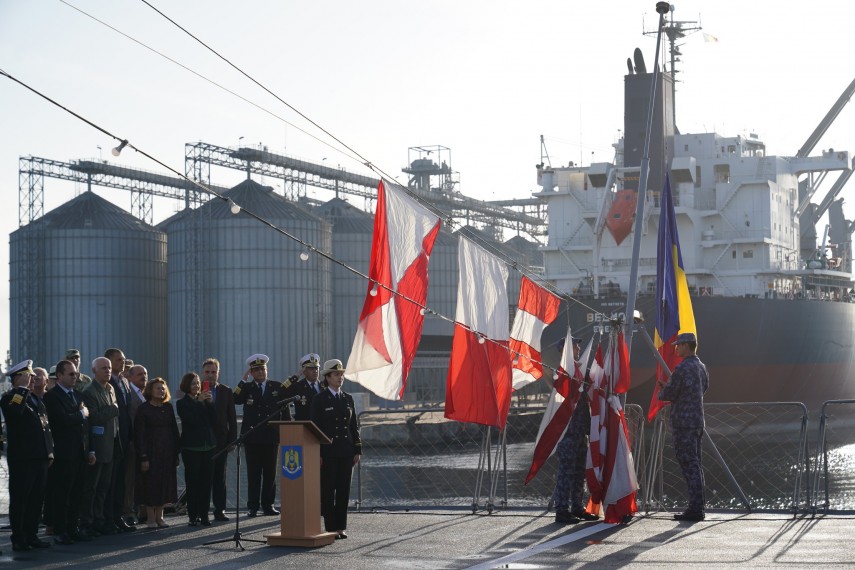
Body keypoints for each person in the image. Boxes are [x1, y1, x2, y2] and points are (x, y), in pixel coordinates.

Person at [0, 360, 55, 551]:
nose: (33, 379)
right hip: (23, 459)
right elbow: (15, 412)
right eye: (29, 376)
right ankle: (19, 537)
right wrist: (22, 388)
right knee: (21, 499)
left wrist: (49, 451)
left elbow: (45, 428)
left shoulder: (35, 399)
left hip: (39, 457)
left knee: (36, 499)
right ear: (17, 378)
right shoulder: (10, 397)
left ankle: (31, 535)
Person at [658, 332, 709, 522]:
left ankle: (695, 509)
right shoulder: (701, 367)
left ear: (687, 346)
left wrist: (663, 391)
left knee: (689, 465)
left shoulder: (682, 368)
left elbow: (670, 393)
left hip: (683, 423)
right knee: (696, 465)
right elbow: (704, 388)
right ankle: (698, 506)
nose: (676, 348)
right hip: (697, 421)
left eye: (678, 345)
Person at [43, 359, 93, 545]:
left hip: (80, 453)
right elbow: (61, 420)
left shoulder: (79, 396)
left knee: (77, 493)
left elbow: (87, 427)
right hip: (64, 454)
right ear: (60, 376)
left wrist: (90, 449)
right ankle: (61, 530)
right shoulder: (52, 397)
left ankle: (73, 528)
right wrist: (81, 414)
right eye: (71, 374)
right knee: (63, 493)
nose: (75, 377)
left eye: (76, 374)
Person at [310, 359, 362, 539]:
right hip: (328, 452)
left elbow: (354, 426)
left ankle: (341, 526)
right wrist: (317, 453)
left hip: (346, 451)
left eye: (341, 374)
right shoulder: (319, 399)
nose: (340, 377)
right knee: (328, 490)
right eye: (336, 374)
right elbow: (315, 428)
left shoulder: (347, 398)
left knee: (343, 490)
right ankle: (331, 527)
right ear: (327, 377)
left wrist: (357, 449)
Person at [233, 353, 286, 517]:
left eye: (262, 369)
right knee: (253, 474)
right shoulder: (247, 388)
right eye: (255, 370)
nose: (260, 372)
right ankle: (253, 506)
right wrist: (243, 379)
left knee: (270, 474)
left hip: (271, 437)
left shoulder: (276, 387)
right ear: (251, 372)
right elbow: (235, 398)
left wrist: (286, 433)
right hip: (252, 437)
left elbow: (284, 410)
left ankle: (268, 505)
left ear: (266, 370)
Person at [553, 337, 599, 524]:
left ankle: (577, 507)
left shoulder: (578, 371)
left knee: (579, 471)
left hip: (580, 430)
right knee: (566, 471)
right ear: (566, 350)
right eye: (575, 344)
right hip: (568, 431)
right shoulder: (563, 372)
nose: (579, 347)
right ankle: (562, 510)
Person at [79, 356, 121, 538]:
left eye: (109, 368)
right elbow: (93, 417)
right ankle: (87, 523)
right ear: (94, 371)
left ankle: (99, 520)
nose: (108, 371)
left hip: (110, 444)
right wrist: (113, 409)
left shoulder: (110, 388)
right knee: (91, 487)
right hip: (98, 445)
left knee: (104, 487)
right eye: (104, 368)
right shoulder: (89, 391)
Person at [134, 377, 180, 529]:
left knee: (164, 484)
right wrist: (143, 456)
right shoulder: (144, 409)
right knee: (150, 484)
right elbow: (139, 434)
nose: (161, 390)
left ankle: (160, 516)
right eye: (158, 388)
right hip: (151, 451)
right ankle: (150, 518)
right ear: (150, 390)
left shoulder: (168, 407)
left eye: (163, 388)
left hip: (167, 451)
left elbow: (174, 429)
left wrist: (176, 452)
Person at [176, 372, 217, 527]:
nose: (197, 386)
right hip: (192, 447)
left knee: (206, 482)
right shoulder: (182, 403)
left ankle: (205, 515)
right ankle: (193, 515)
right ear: (186, 385)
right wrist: (199, 403)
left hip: (208, 446)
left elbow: (214, 421)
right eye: (193, 383)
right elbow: (192, 421)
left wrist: (210, 403)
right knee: (193, 482)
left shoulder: (205, 400)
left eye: (198, 383)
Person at [104, 347, 136, 533]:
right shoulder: (107, 382)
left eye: (123, 359)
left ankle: (117, 517)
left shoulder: (124, 381)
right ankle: (107, 518)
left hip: (124, 437)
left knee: (121, 481)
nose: (122, 362)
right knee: (110, 481)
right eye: (118, 360)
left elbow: (127, 411)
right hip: (112, 439)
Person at [201, 358, 237, 522]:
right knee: (203, 477)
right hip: (203, 442)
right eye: (207, 372)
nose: (210, 375)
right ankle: (202, 511)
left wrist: (232, 440)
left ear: (218, 373)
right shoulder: (197, 389)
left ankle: (219, 509)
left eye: (213, 372)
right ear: (203, 373)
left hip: (222, 441)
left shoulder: (226, 391)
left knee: (219, 478)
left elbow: (231, 417)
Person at [124, 364, 148, 524]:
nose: (143, 376)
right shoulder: (128, 393)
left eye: (145, 374)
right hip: (132, 443)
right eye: (140, 374)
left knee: (143, 479)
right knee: (130, 480)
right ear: (130, 377)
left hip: (145, 444)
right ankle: (128, 512)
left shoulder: (144, 393)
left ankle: (143, 511)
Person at [283, 353, 322, 421]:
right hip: (304, 426)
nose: (315, 371)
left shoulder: (324, 385)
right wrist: (296, 376)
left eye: (316, 368)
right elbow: (283, 390)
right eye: (311, 368)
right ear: (304, 371)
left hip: (321, 426)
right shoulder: (298, 386)